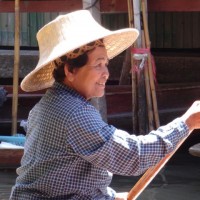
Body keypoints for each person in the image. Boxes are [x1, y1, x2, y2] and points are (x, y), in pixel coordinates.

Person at [10, 10, 200, 200]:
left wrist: (110, 196)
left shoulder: (43, 107)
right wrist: (186, 123)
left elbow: (64, 176)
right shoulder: (75, 114)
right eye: (98, 64)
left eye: (106, 64)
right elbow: (134, 157)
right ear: (70, 70)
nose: (106, 73)